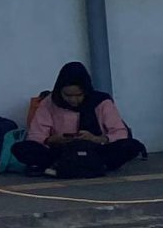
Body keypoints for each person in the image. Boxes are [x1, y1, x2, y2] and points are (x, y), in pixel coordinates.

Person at [13, 62, 145, 179]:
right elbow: (36, 135)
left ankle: (72, 167)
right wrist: (52, 140)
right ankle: (87, 167)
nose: (73, 100)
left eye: (78, 95)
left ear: (86, 91)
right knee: (22, 148)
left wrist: (96, 139)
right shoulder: (50, 102)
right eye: (68, 95)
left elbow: (120, 133)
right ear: (59, 91)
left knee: (131, 146)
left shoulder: (101, 101)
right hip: (61, 152)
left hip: (96, 150)